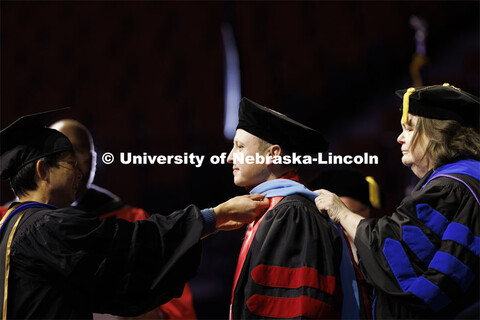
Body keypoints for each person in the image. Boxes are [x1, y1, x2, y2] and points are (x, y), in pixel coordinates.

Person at [0, 109, 269, 319]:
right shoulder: (47, 227)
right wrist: (214, 216)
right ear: (42, 171)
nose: (80, 173)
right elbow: (130, 243)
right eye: (70, 164)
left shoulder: (11, 224)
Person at [315, 83, 480, 319]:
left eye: (410, 129)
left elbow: (395, 253)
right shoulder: (468, 179)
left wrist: (342, 214)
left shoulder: (451, 188)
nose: (400, 138)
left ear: (436, 133)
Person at [227, 97, 365, 319]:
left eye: (240, 147)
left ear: (273, 153)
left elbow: (296, 308)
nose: (229, 157)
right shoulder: (274, 209)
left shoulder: (293, 214)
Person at [49, 119, 196, 319]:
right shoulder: (11, 221)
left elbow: (176, 308)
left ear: (94, 161)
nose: (70, 161)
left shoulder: (132, 220)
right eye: (59, 153)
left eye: (78, 150)